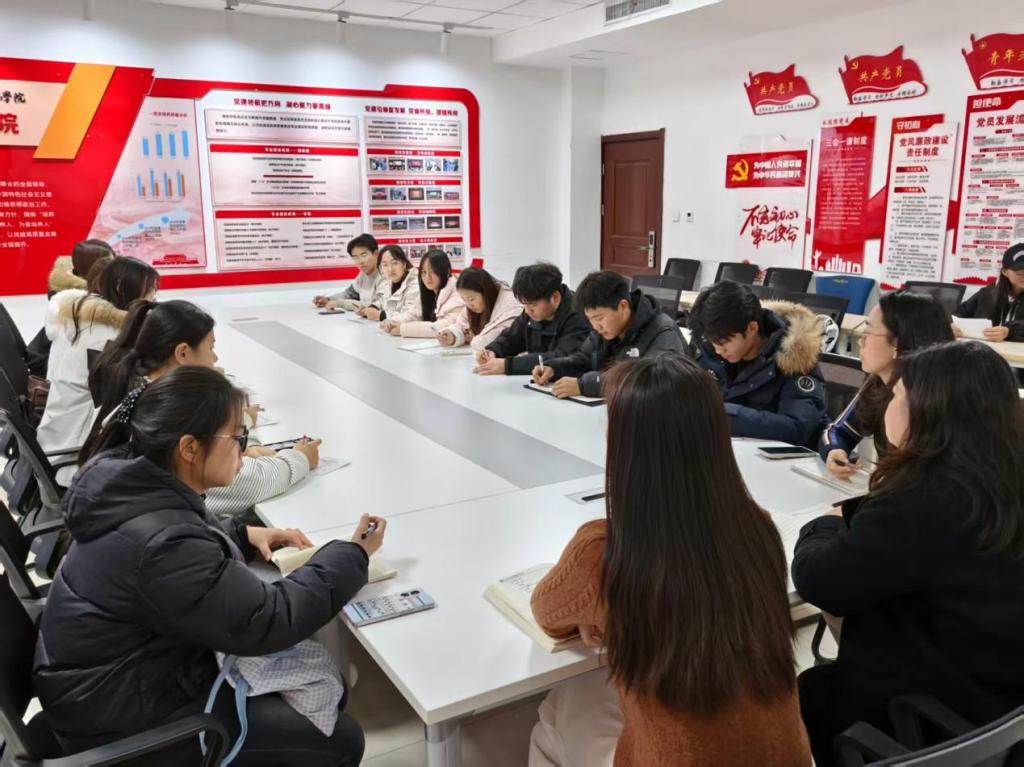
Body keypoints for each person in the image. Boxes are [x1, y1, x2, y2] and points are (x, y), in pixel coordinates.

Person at [35, 366, 382, 766]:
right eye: (237, 438)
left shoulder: (134, 489)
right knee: (342, 740)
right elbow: (267, 620)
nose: (244, 450)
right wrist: (351, 554)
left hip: (111, 688)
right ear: (189, 448)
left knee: (324, 688)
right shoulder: (162, 542)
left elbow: (177, 563)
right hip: (126, 722)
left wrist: (241, 535)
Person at [529, 354, 811, 767]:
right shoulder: (758, 528)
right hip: (788, 757)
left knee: (558, 710)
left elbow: (548, 613)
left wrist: (597, 612)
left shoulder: (605, 549)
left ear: (626, 446)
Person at [793, 341, 1024, 767]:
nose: (888, 405)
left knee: (800, 692)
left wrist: (824, 524)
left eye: (897, 395)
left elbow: (818, 580)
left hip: (926, 716)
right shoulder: (998, 478)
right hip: (1000, 707)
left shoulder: (924, 499)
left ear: (928, 412)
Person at [87, 299, 321, 518]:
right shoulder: (175, 415)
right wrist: (300, 458)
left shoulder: (142, 395)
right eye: (210, 348)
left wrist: (239, 435)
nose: (215, 358)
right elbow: (247, 484)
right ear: (183, 353)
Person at [36, 257, 159, 483]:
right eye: (150, 288)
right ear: (123, 288)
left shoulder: (87, 321)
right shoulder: (105, 338)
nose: (153, 296)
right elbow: (125, 402)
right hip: (77, 457)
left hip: (60, 438)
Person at [820, 291, 953, 478]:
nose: (860, 341)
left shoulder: (937, 400)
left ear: (897, 344)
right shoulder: (878, 382)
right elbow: (839, 431)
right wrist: (835, 450)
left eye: (868, 332)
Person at [687, 281, 827, 448]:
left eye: (724, 342)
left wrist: (723, 414)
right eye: (713, 342)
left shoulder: (795, 359)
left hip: (780, 458)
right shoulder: (711, 351)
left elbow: (796, 428)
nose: (718, 350)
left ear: (752, 328)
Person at [532, 270, 684, 399]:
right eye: (590, 319)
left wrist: (585, 385)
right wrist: (554, 368)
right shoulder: (604, 330)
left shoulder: (662, 331)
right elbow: (583, 358)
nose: (595, 326)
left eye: (599, 318)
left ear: (623, 307)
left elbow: (654, 381)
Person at [473, 262, 591, 376]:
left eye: (533, 305)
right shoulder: (532, 312)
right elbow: (511, 337)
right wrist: (493, 351)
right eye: (524, 304)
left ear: (555, 298)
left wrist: (508, 366)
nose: (528, 310)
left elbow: (562, 357)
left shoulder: (578, 315)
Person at [381, 249, 464, 337]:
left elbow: (442, 327)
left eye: (432, 271)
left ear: (446, 271)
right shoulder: (428, 293)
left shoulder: (458, 294)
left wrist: (403, 329)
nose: (427, 277)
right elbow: (413, 314)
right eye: (424, 272)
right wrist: (392, 321)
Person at [438, 266, 523, 351]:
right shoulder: (476, 306)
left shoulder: (510, 306)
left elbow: (490, 342)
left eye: (471, 299)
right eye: (464, 300)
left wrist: (473, 338)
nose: (469, 305)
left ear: (486, 292)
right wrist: (452, 334)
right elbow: (461, 324)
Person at [954, 242, 1024, 342]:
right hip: (988, 347)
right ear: (1005, 272)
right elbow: (959, 313)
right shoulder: (988, 293)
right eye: (1020, 273)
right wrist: (952, 325)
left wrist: (1009, 331)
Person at [312, 234, 385, 312]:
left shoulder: (386, 274)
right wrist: (328, 299)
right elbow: (349, 294)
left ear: (376, 253)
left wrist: (339, 303)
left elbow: (376, 306)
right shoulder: (362, 275)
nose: (360, 261)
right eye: (355, 257)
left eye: (364, 255)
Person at [357, 244, 420, 323]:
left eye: (395, 263)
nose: (390, 269)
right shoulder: (388, 282)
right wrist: (371, 308)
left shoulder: (415, 285)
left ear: (404, 264)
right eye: (385, 265)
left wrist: (381, 315)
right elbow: (382, 301)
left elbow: (410, 316)